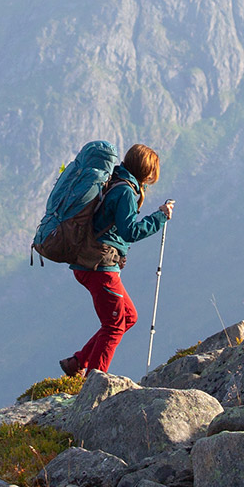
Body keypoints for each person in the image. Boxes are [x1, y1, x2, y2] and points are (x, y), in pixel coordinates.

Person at [59, 144, 174, 377]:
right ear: (146, 171)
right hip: (99, 268)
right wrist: (160, 217)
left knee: (128, 316)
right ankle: (94, 385)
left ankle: (78, 362)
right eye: (152, 174)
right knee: (114, 325)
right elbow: (129, 230)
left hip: (89, 264)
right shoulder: (126, 192)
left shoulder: (115, 181)